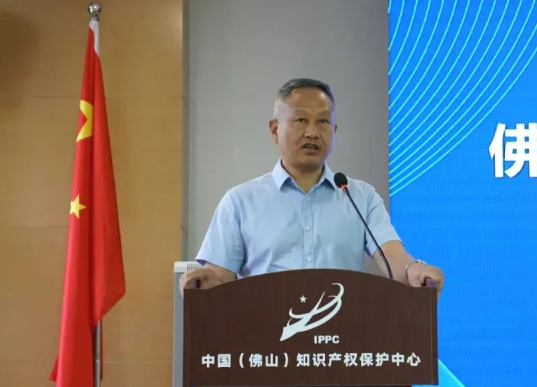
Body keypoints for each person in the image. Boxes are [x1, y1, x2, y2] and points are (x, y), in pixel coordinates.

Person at [180, 78, 444, 293]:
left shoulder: (360, 197)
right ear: (275, 130)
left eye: (323, 121)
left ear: (334, 131)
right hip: (266, 335)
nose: (312, 132)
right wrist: (205, 279)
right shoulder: (240, 201)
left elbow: (392, 258)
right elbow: (219, 279)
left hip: (342, 335)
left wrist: (414, 269)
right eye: (301, 120)